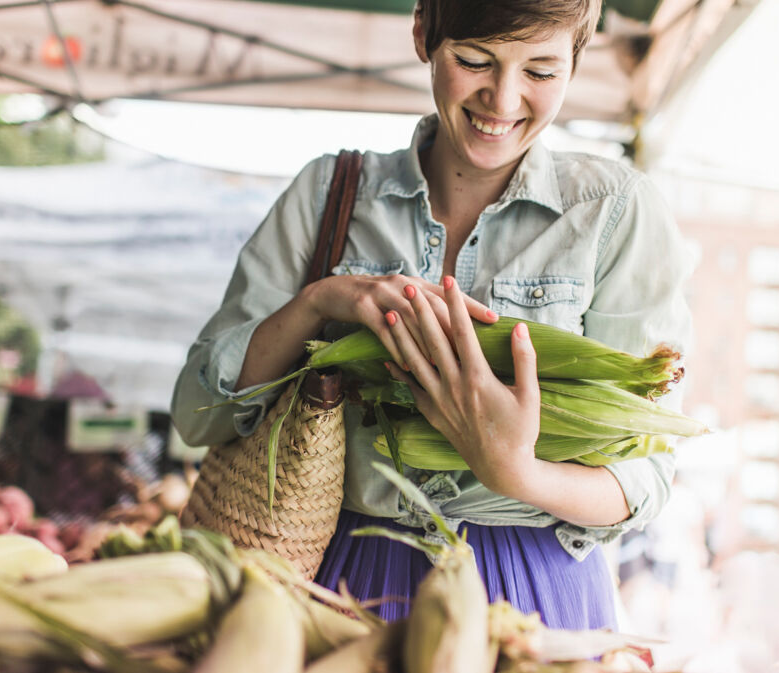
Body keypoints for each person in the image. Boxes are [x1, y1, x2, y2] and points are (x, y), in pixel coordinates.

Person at [172, 0, 692, 630]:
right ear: (424, 33)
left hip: (529, 594)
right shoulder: (327, 194)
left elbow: (647, 476)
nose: (503, 101)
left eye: (542, 71)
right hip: (335, 577)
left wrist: (516, 471)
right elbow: (196, 415)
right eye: (475, 60)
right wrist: (319, 303)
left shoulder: (614, 213)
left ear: (578, 61)